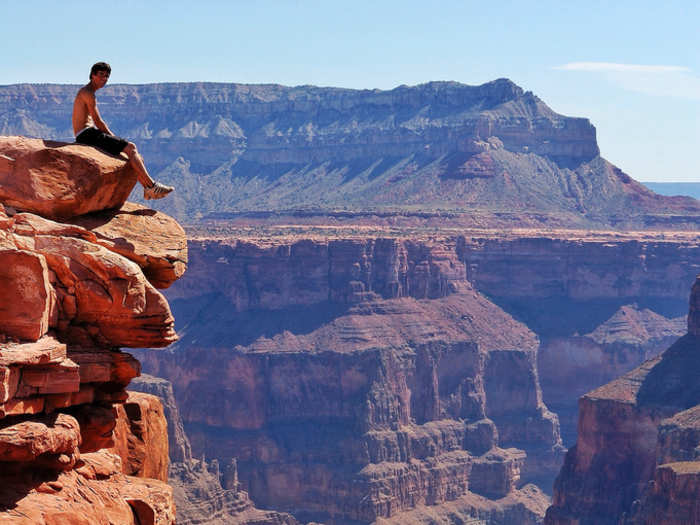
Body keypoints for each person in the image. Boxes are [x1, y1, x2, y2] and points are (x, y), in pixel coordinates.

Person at [73, 62, 174, 200]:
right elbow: (98, 121)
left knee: (130, 153)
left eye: (107, 76)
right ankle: (152, 186)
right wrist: (114, 139)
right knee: (130, 148)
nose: (104, 79)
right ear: (92, 75)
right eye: (101, 75)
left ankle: (148, 188)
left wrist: (115, 141)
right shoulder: (88, 93)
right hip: (86, 134)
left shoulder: (88, 92)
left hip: (86, 133)